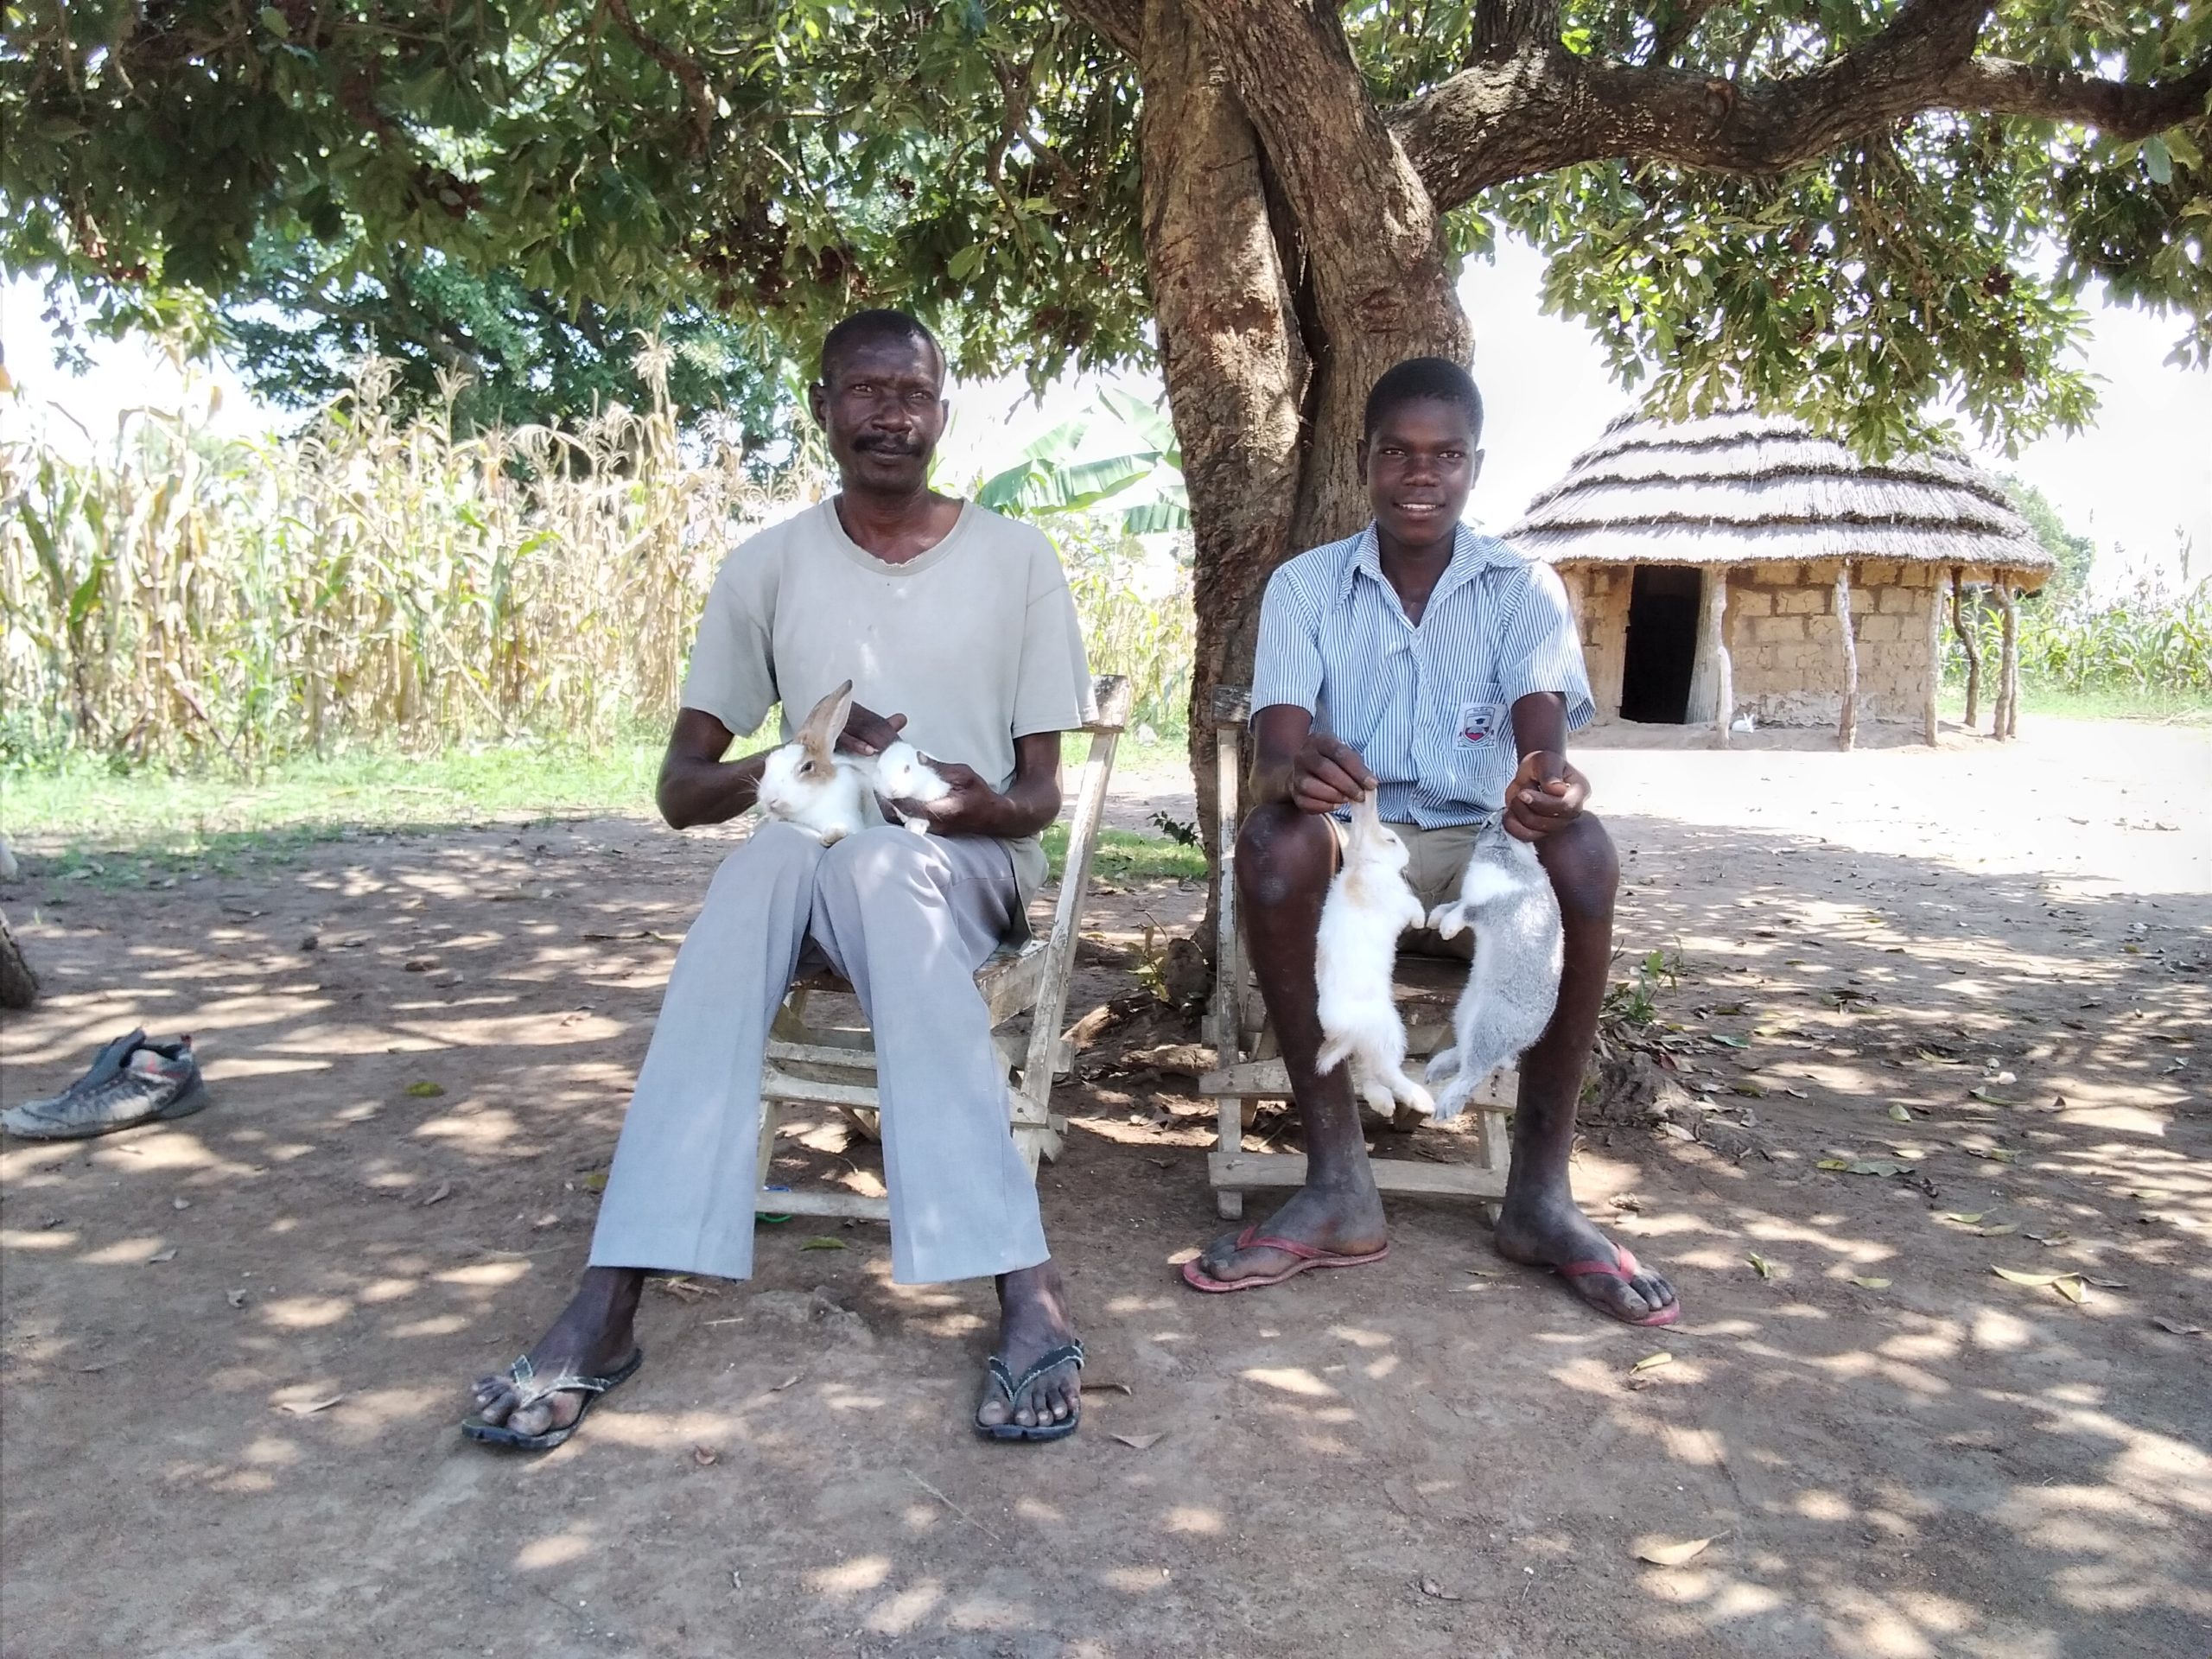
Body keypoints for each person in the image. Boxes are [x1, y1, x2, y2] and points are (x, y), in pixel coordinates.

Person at [464, 309, 1096, 1449]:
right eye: (865, 390)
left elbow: (1042, 792)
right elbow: (681, 788)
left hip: (957, 868)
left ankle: (1021, 1280)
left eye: (912, 393)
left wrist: (975, 802)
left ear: (942, 413)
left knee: (887, 866)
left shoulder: (1017, 562)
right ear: (823, 406)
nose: (890, 415)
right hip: (809, 863)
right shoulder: (765, 568)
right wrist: (799, 755)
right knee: (760, 871)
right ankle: (612, 1296)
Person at [1182, 357, 1680, 1327]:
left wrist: (1551, 785)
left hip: (1475, 847)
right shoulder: (1306, 587)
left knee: (1582, 854)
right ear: (1364, 463)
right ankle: (1338, 1187)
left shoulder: (1519, 587)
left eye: (1445, 455)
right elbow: (1279, 753)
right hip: (1357, 843)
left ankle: (1539, 1197)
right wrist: (1300, 774)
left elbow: (1543, 743)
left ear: (1474, 466)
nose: (1422, 474)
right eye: (1398, 454)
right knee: (1272, 846)